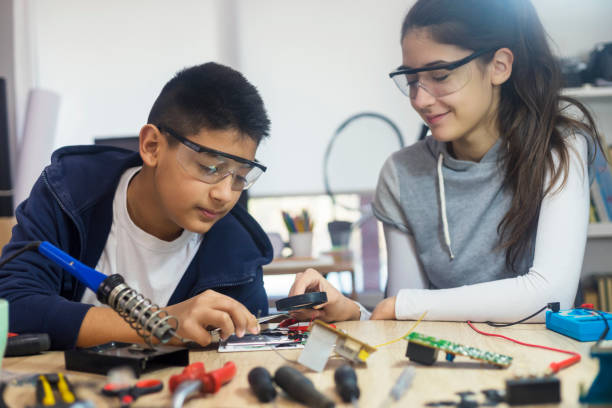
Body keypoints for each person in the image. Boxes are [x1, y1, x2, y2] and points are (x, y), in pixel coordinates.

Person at [289, 0, 603, 323]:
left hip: (545, 368)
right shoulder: (401, 174)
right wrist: (351, 312)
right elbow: (400, 321)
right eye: (411, 80)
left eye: (440, 75)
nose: (420, 100)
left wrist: (404, 306)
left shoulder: (559, 147)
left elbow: (552, 298)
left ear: (499, 66)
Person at [0, 62, 273, 349]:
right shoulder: (69, 193)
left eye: (240, 176)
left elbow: (250, 350)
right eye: (209, 168)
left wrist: (317, 325)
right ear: (152, 146)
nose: (225, 194)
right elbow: (14, 305)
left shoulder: (239, 252)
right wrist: (160, 324)